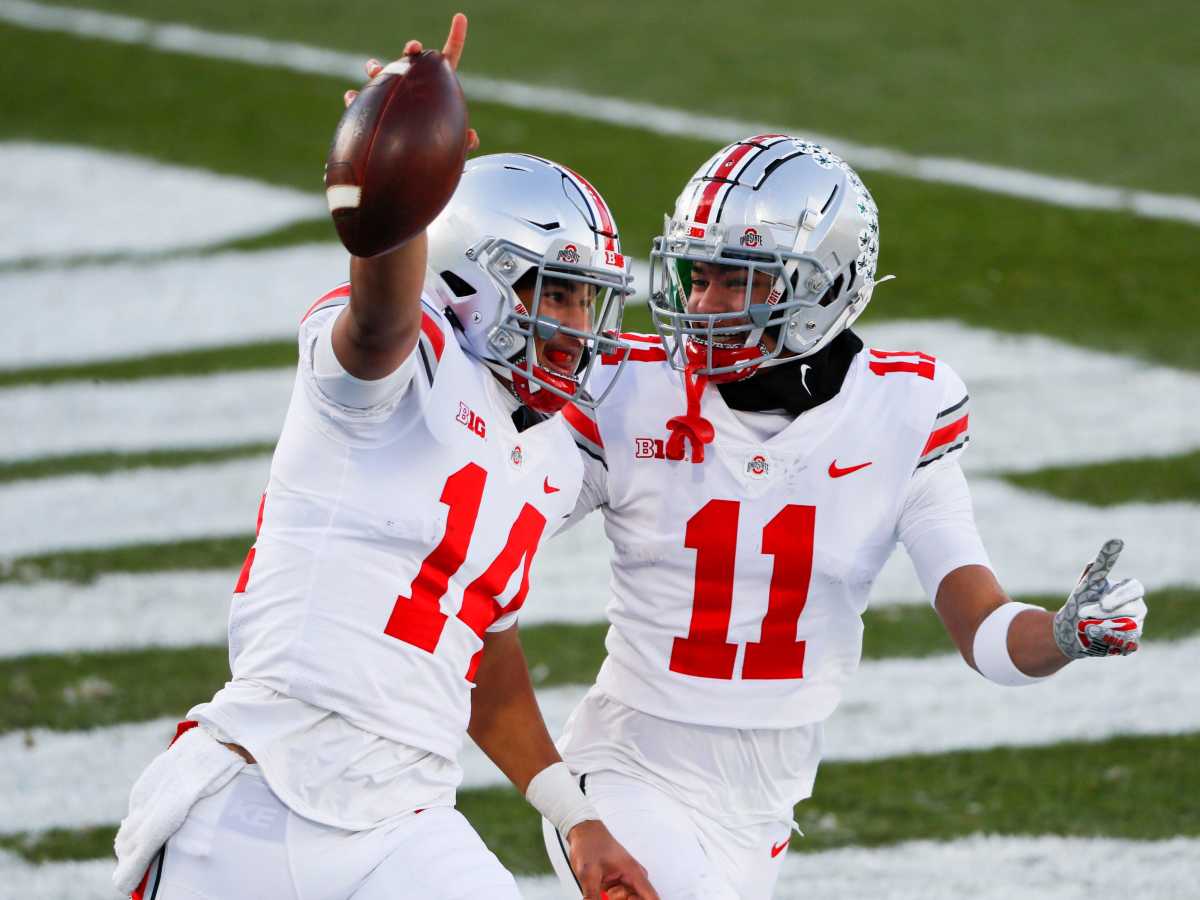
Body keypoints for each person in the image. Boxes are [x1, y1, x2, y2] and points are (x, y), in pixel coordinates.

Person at [111, 16, 659, 900]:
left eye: (588, 301)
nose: (576, 327)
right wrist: (402, 185)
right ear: (471, 272)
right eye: (554, 294)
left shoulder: (554, 452)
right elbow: (376, 324)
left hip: (406, 818)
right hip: (262, 789)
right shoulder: (397, 371)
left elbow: (481, 645)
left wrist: (575, 815)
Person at [543, 133, 1148, 899]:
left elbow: (986, 633)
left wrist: (1062, 636)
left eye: (740, 282)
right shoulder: (632, 391)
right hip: (625, 767)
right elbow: (490, 532)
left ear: (826, 286)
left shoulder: (899, 413)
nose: (702, 305)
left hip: (764, 802)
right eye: (699, 277)